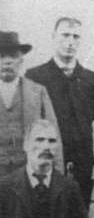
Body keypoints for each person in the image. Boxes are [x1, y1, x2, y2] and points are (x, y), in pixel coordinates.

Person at [26, 17, 94, 204]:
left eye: (76, 37)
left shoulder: (91, 79)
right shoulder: (35, 76)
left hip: (84, 164)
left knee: (79, 215)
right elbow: (29, 124)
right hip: (48, 160)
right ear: (53, 37)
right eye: (65, 35)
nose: (70, 42)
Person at [0, 31, 62, 177]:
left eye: (13, 56)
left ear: (21, 60)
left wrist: (57, 178)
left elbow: (54, 134)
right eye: (1, 56)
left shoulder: (38, 92)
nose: (7, 61)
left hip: (28, 171)